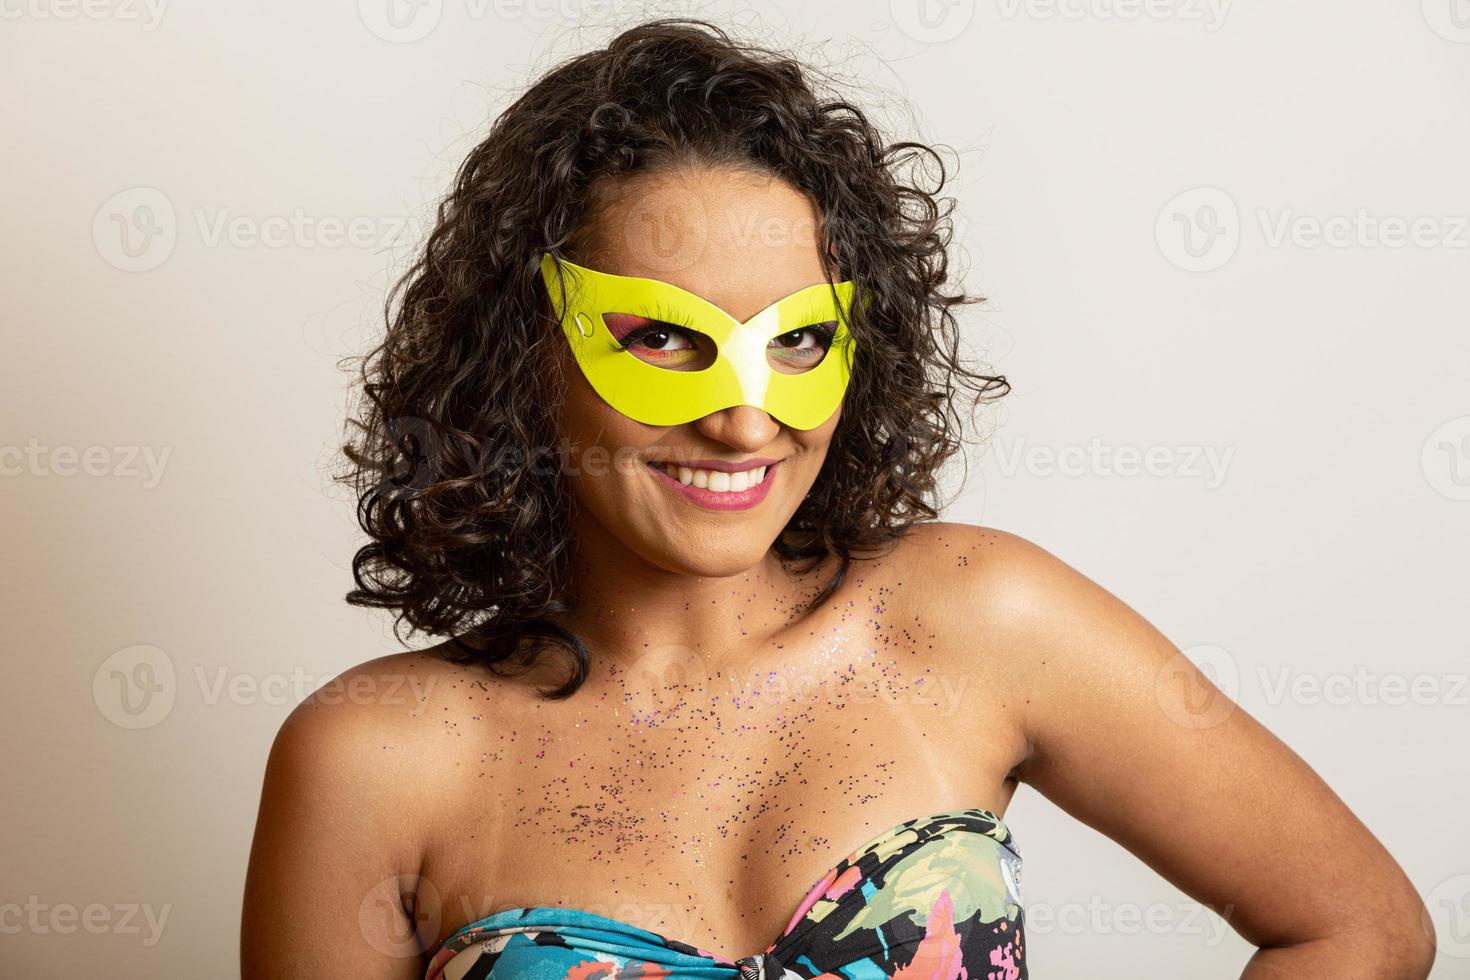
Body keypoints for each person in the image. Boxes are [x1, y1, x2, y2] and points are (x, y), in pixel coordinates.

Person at [240, 18, 1435, 980]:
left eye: (799, 342)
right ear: (520, 356)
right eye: (664, 338)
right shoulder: (375, 759)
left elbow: (1359, 926)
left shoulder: (976, 619)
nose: (747, 419)